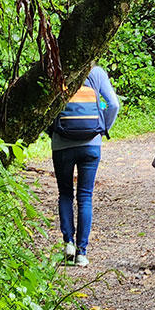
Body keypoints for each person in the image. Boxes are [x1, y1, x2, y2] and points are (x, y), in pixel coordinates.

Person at [51, 64, 120, 267]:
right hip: (91, 143)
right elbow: (113, 104)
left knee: (65, 194)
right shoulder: (96, 73)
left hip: (62, 143)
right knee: (85, 196)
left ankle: (68, 243)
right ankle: (82, 252)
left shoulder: (57, 68)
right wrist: (102, 127)